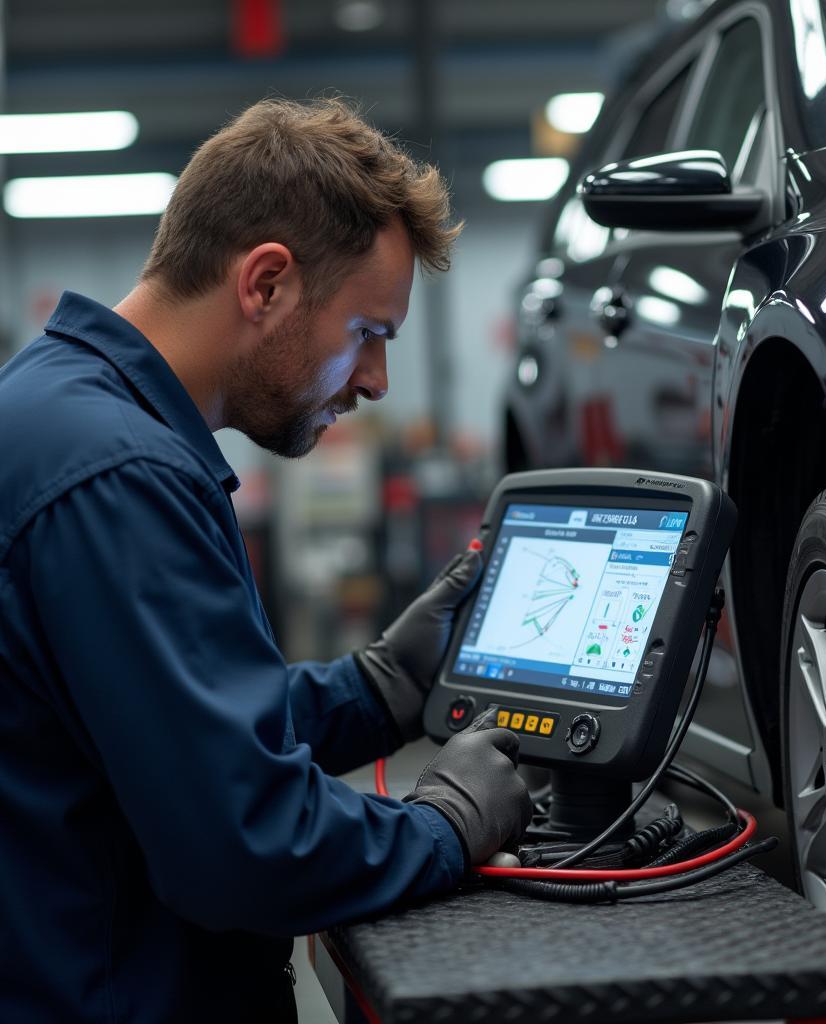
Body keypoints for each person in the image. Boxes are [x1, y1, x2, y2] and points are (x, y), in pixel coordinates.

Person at [0, 98, 533, 1024]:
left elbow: (159, 729)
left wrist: (377, 690)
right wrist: (445, 824)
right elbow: (243, 847)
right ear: (267, 284)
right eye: (368, 333)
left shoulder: (58, 413)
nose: (374, 382)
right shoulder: (121, 477)